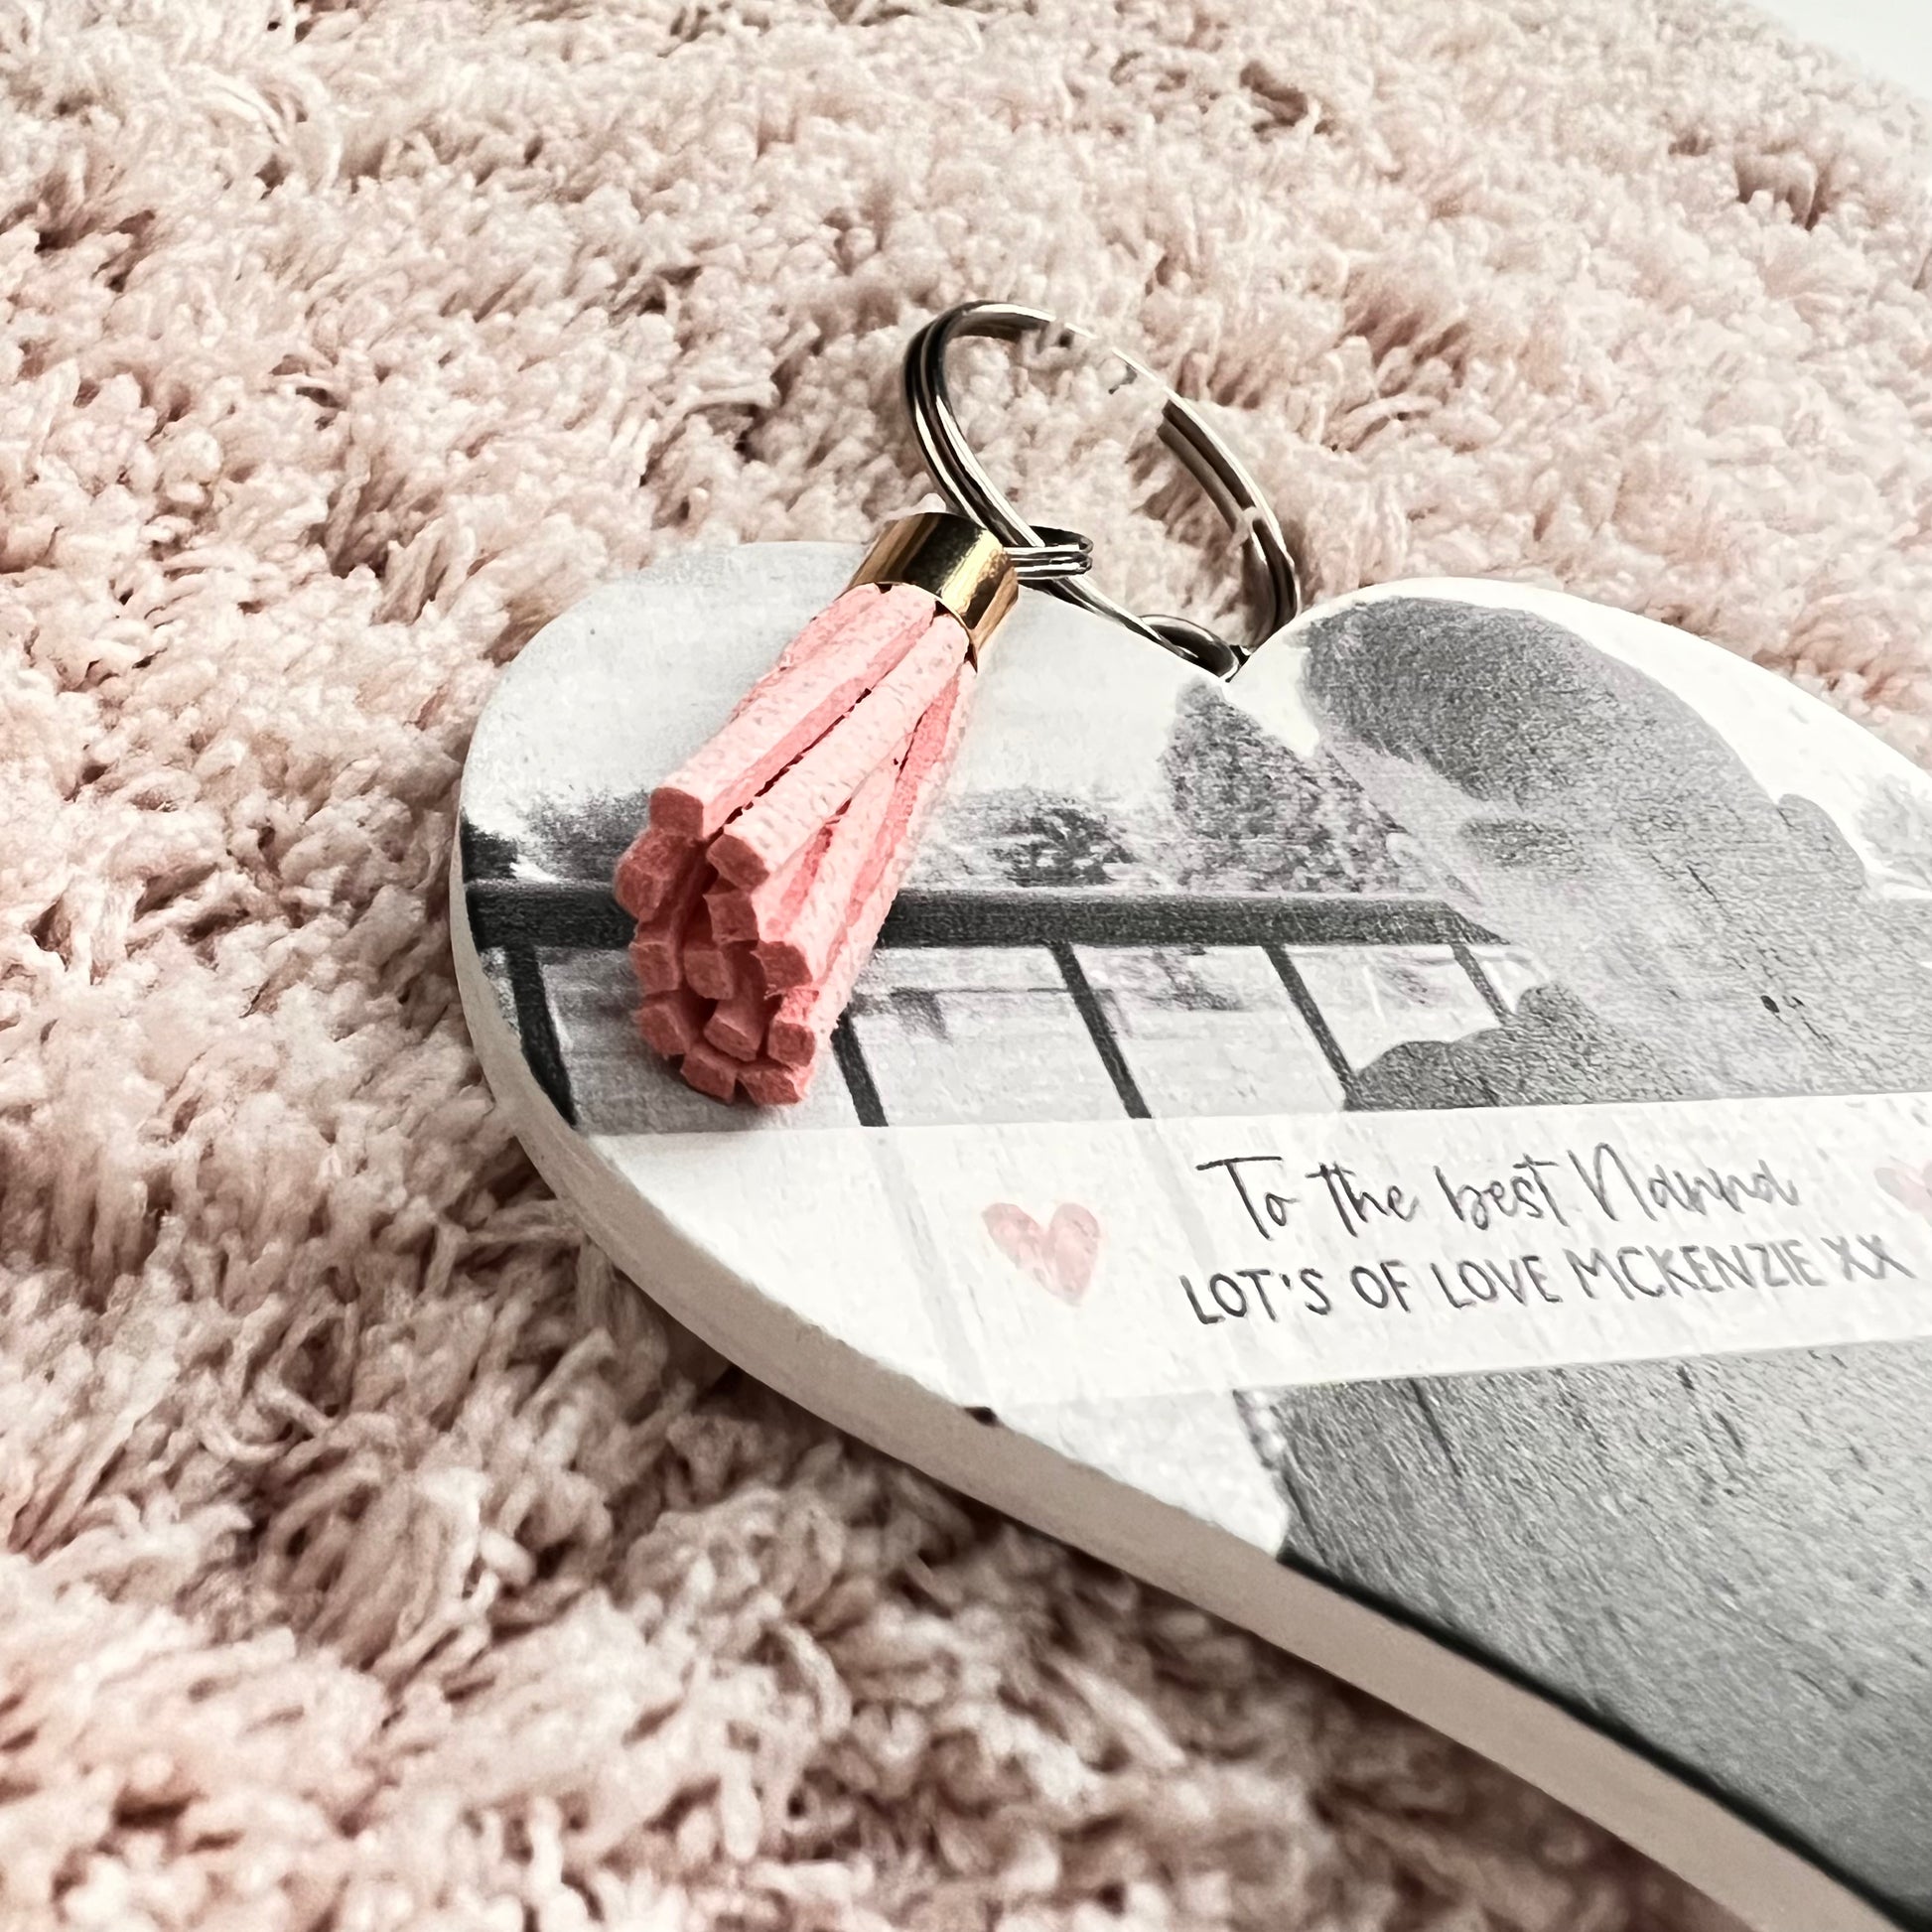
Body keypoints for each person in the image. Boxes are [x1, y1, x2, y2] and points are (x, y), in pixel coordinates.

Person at [1298, 594, 1932, 1107]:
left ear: (1822, 847)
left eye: (1688, 822)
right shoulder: (1441, 1125)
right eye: (1536, 853)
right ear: (1463, 893)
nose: (1669, 919)